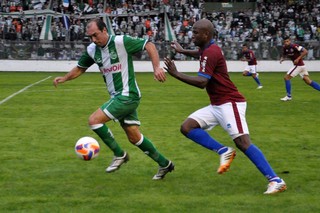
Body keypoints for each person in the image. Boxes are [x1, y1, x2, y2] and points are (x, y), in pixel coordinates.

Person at [164, 19, 286, 194]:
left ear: (206, 34)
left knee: (243, 143)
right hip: (218, 104)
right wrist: (182, 51)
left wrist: (176, 74)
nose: (193, 35)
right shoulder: (209, 49)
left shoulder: (211, 52)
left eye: (196, 32)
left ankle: (276, 180)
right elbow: (201, 55)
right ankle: (223, 150)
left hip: (230, 103)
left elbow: (202, 82)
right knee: (187, 127)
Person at [53, 18, 174, 180]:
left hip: (127, 95)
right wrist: (65, 78)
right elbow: (80, 68)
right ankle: (165, 164)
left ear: (104, 31)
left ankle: (120, 154)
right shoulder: (92, 49)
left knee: (94, 120)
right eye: (90, 37)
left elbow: (149, 45)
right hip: (118, 97)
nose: (93, 40)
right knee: (134, 136)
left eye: (96, 35)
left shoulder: (120, 41)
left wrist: (156, 68)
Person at [280, 36, 320, 101]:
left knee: (286, 78)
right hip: (301, 66)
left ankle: (289, 96)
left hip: (299, 65)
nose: (286, 43)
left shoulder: (294, 46)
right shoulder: (285, 48)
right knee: (308, 81)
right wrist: (282, 58)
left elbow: (305, 51)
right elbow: (285, 54)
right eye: (285, 42)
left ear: (290, 41)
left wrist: (298, 58)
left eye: (287, 41)